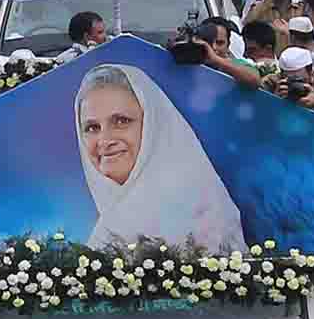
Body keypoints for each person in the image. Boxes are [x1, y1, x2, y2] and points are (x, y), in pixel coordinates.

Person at [71, 65, 245, 251]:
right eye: (92, 128)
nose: (105, 140)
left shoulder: (198, 203)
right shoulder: (113, 220)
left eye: (121, 121)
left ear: (154, 125)